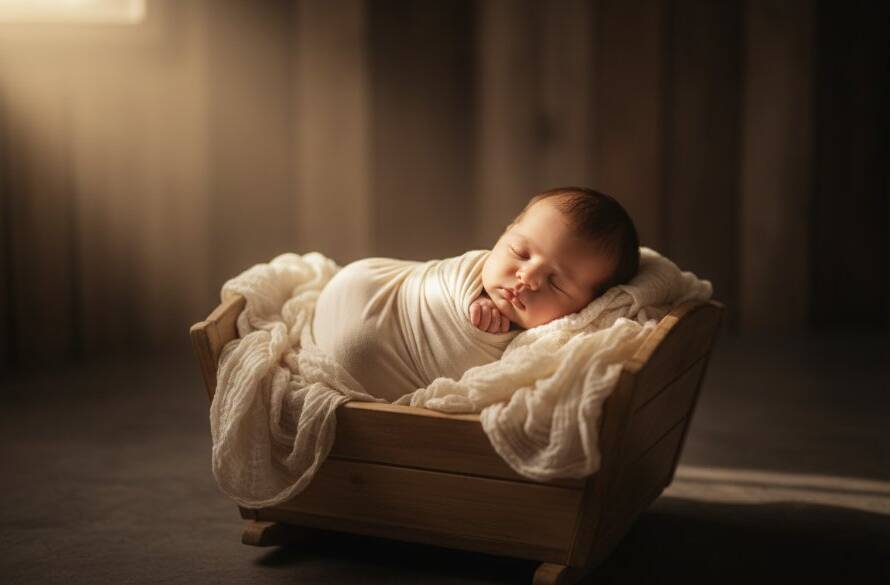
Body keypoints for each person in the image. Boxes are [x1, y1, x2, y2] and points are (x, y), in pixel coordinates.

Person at [470, 187, 640, 333]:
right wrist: (470, 299)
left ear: (590, 307)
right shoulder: (465, 272)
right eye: (520, 253)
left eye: (554, 283)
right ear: (506, 233)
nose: (527, 277)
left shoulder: (552, 345)